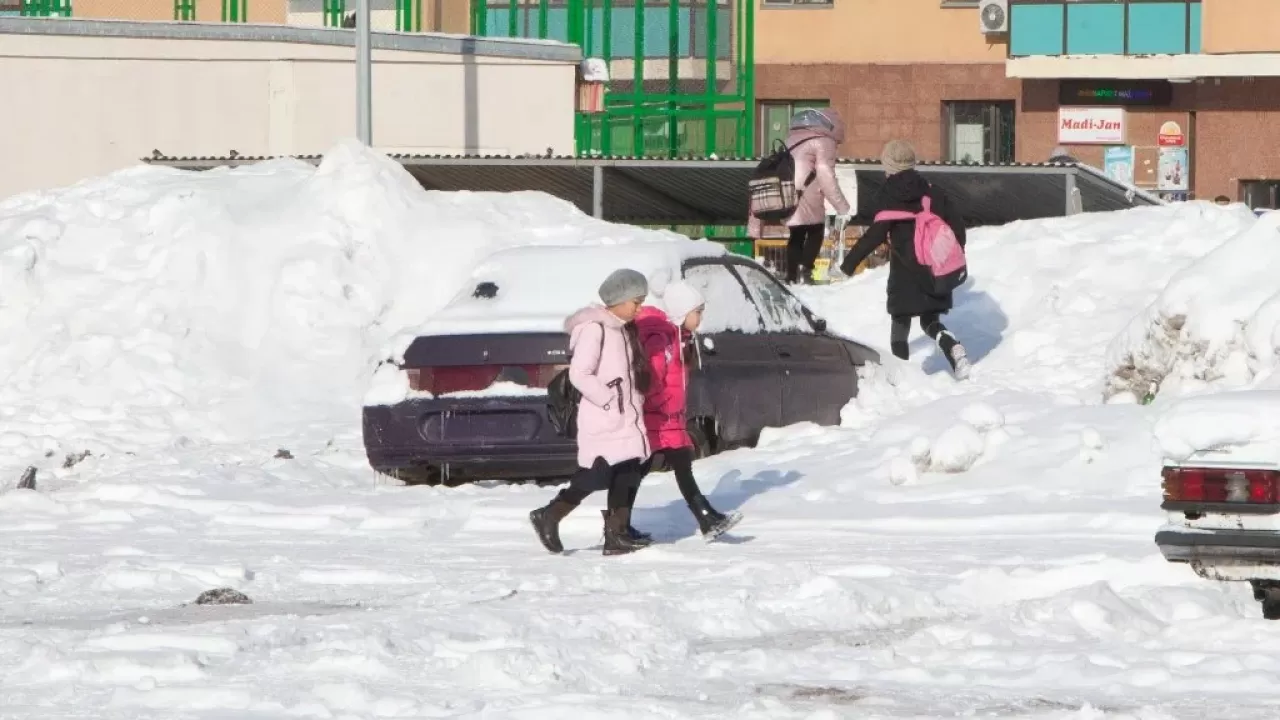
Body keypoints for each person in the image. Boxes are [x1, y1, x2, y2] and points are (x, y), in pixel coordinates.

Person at [529, 269, 653, 556]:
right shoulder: (594, 329)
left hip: (626, 417)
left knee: (629, 471)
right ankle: (550, 514)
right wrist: (609, 400)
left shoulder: (621, 330)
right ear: (619, 299)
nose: (640, 307)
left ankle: (617, 534)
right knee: (596, 475)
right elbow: (580, 374)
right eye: (636, 301)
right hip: (605, 417)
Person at [839, 139, 972, 380]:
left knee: (900, 323)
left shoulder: (887, 195)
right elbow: (958, 230)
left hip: (904, 272)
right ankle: (950, 344)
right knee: (930, 319)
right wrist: (949, 256)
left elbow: (875, 235)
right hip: (934, 270)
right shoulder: (933, 191)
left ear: (888, 165)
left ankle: (901, 379)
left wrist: (848, 265)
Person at [627, 280, 741, 540]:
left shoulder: (679, 339)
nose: (700, 318)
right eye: (697, 312)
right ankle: (616, 522)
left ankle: (707, 519)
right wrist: (663, 408)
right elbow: (652, 381)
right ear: (681, 312)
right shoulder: (662, 339)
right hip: (658, 418)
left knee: (672, 467)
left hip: (670, 419)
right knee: (640, 470)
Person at [749, 108, 853, 285]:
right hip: (808, 192)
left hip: (787, 191)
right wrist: (842, 207)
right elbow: (825, 175)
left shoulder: (791, 138)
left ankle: (791, 276)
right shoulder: (823, 141)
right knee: (816, 231)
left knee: (796, 234)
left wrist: (754, 229)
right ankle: (806, 270)